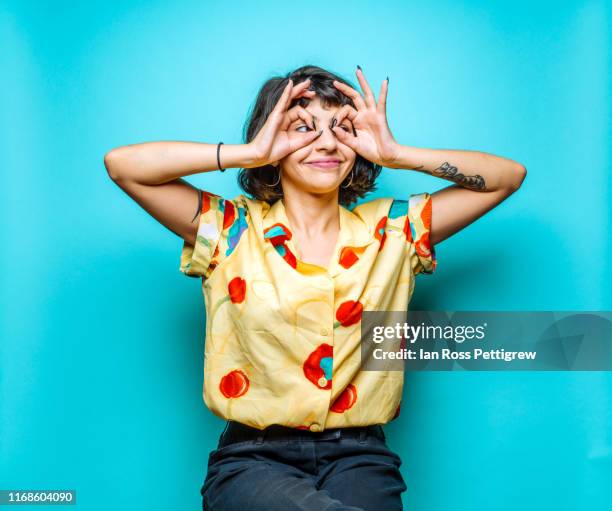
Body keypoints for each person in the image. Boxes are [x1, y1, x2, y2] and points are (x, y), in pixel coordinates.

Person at [104, 64, 526, 510]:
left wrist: (397, 153)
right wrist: (248, 151)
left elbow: (506, 177)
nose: (326, 142)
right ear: (273, 141)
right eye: (302, 128)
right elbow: (124, 166)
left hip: (362, 458)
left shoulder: (394, 229)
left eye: (341, 128)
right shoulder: (230, 229)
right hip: (252, 461)